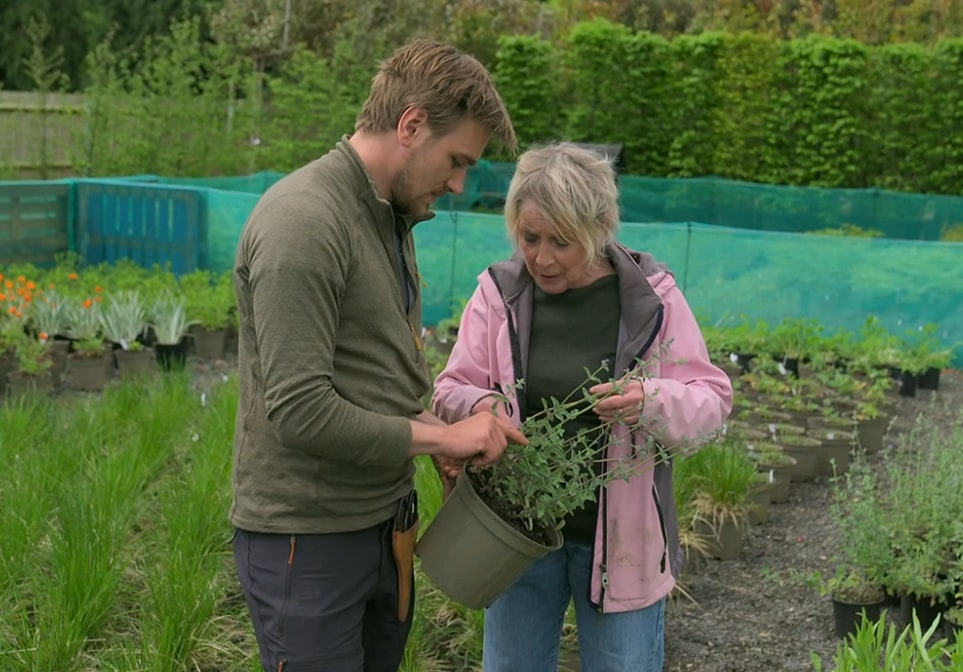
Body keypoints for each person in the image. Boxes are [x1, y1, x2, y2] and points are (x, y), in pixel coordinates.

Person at [230, 39, 526, 672]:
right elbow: (302, 412)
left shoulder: (390, 215)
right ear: (411, 125)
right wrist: (442, 442)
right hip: (308, 544)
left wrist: (437, 433)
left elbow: (370, 373)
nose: (458, 183)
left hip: (383, 528)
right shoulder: (304, 222)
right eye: (456, 160)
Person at [431, 142, 733, 672]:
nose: (542, 257)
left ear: (598, 230)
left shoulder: (651, 300)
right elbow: (451, 388)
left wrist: (651, 400)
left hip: (624, 547)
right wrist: (484, 407)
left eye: (562, 242)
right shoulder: (498, 295)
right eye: (530, 237)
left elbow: (712, 401)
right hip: (515, 533)